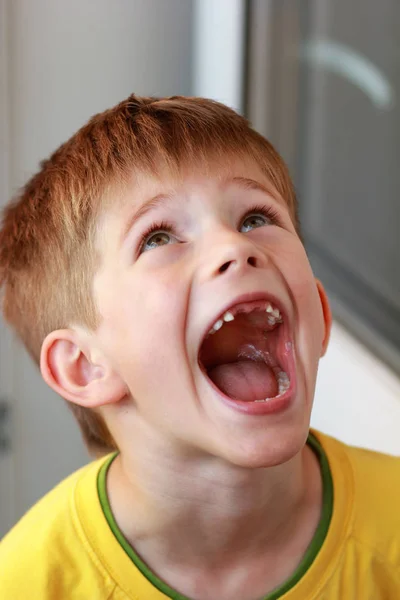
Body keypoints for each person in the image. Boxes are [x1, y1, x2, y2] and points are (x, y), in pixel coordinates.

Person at [0, 94, 399, 600]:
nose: (236, 247)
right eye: (158, 237)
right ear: (85, 366)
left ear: (318, 316)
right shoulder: (26, 583)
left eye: (255, 218)